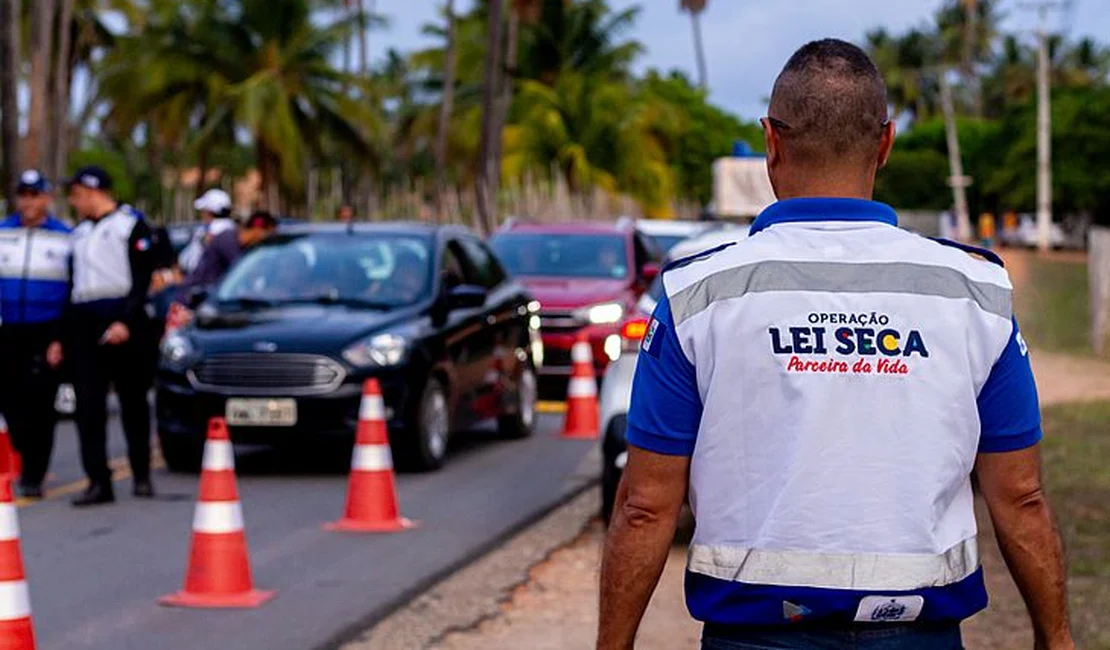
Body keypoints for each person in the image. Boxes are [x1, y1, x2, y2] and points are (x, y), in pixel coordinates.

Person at [598, 40, 1072, 650]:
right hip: (920, 637)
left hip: (751, 639)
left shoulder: (697, 294)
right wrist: (1055, 638)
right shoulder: (974, 292)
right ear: (886, 144)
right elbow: (1021, 496)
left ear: (771, 142)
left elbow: (644, 507)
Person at [64, 166, 157, 507]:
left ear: (92, 192)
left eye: (76, 195)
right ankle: (98, 480)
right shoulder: (78, 234)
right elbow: (71, 283)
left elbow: (143, 276)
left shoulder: (130, 224)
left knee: (133, 401)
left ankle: (141, 473)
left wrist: (126, 321)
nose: (74, 203)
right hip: (85, 318)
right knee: (88, 406)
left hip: (122, 316)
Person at [0, 170, 71, 498]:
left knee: (40, 403)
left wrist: (60, 336)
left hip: (46, 331)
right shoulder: (3, 232)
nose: (29, 201)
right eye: (23, 195)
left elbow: (73, 290)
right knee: (11, 401)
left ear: (46, 198)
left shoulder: (64, 237)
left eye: (35, 194)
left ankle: (34, 472)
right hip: (9, 328)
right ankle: (25, 455)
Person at [176, 210, 277, 298]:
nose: (268, 239)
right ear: (258, 229)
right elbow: (242, 275)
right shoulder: (227, 240)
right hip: (191, 299)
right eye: (268, 234)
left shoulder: (240, 245)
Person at [178, 188, 237, 274]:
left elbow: (192, 261)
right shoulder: (231, 228)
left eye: (204, 210)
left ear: (209, 211)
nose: (202, 214)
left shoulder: (213, 231)